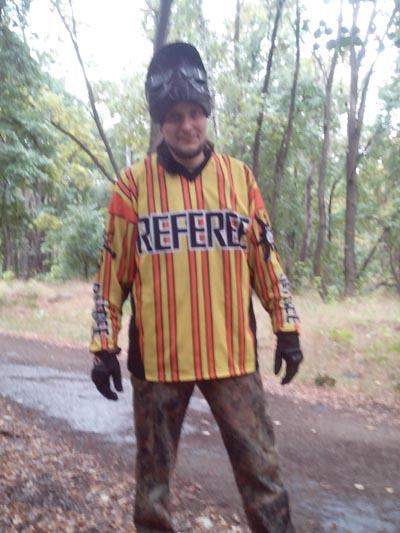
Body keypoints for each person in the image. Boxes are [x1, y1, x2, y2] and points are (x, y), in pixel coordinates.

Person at [89, 42, 303, 533]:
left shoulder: (239, 180)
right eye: (174, 116)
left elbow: (266, 261)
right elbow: (110, 276)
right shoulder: (132, 188)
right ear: (160, 122)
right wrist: (103, 347)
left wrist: (287, 327)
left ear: (206, 112)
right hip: (159, 363)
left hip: (232, 358)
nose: (186, 126)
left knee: (263, 475)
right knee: (153, 489)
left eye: (194, 113)